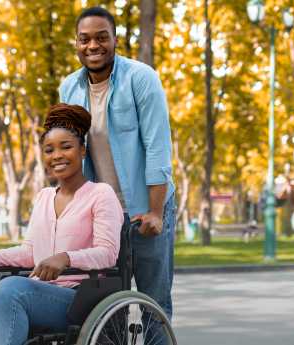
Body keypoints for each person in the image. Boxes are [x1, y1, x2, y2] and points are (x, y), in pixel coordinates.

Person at [0, 104, 123, 345]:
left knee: (10, 288)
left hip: (77, 299)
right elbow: (29, 252)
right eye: (49, 150)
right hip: (31, 293)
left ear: (82, 151)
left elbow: (108, 253)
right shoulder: (43, 197)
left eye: (66, 147)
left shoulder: (101, 194)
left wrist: (65, 258)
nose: (56, 155)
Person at [59, 6, 176, 335]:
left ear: (115, 41)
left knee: (153, 303)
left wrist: (154, 212)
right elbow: (70, 155)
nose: (93, 46)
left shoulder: (141, 78)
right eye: (85, 39)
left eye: (101, 38)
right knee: (105, 307)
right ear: (76, 44)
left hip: (146, 208)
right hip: (104, 216)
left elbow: (157, 148)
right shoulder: (69, 88)